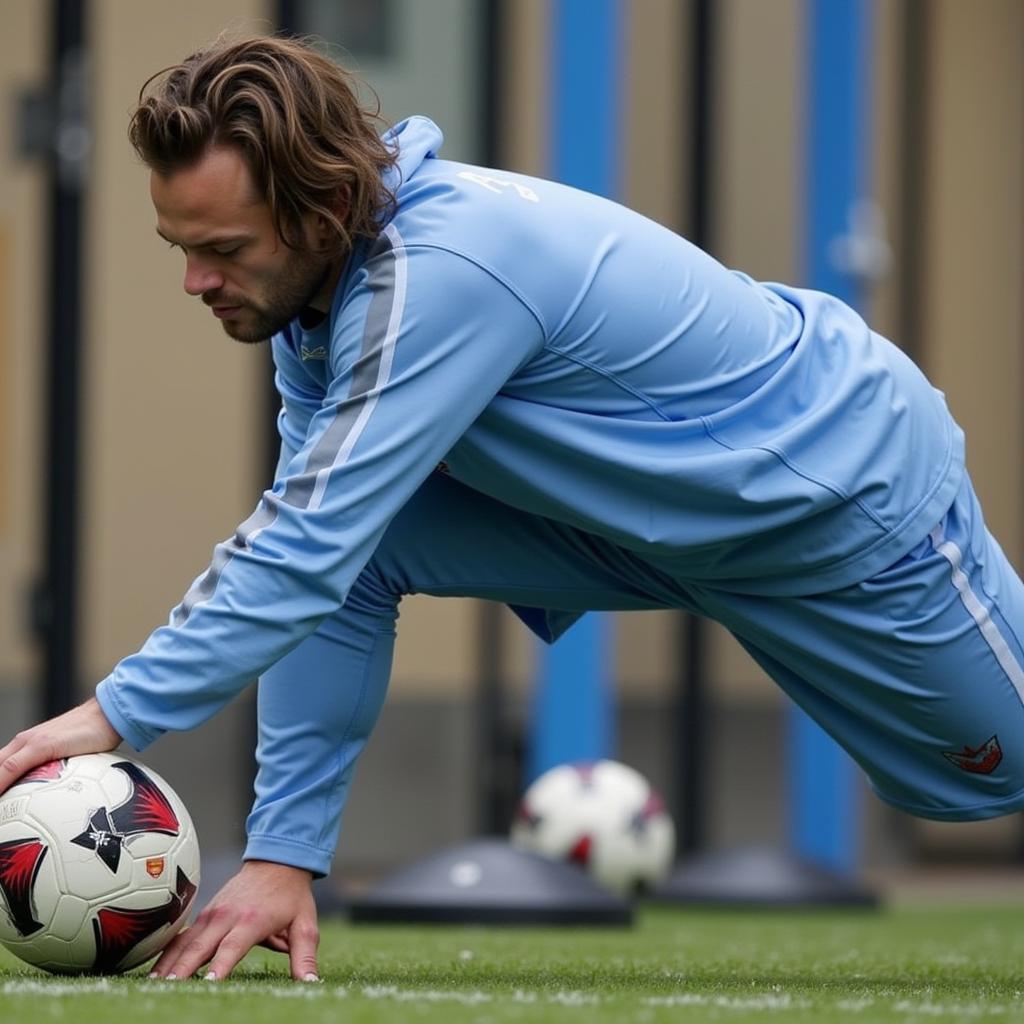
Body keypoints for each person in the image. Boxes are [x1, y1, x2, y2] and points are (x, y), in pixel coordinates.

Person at [2, 33, 1023, 982]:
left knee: (985, 775)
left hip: (840, 496)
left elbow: (302, 542)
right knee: (361, 546)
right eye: (177, 245)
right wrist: (281, 853)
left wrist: (115, 712)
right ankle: (282, 857)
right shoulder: (309, 312)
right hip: (650, 524)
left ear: (318, 211)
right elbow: (322, 543)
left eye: (221, 247)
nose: (194, 280)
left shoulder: (437, 270)